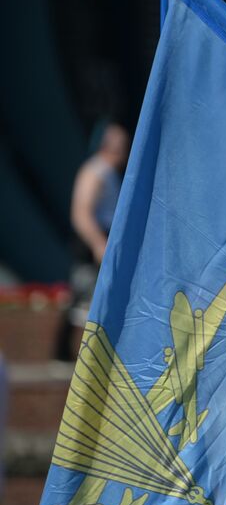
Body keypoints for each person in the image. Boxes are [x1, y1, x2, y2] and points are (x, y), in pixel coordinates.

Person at [61, 119, 130, 360]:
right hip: (94, 245)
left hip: (104, 240)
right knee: (83, 302)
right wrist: (98, 243)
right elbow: (81, 213)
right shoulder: (96, 171)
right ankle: (68, 355)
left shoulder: (109, 173)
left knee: (92, 300)